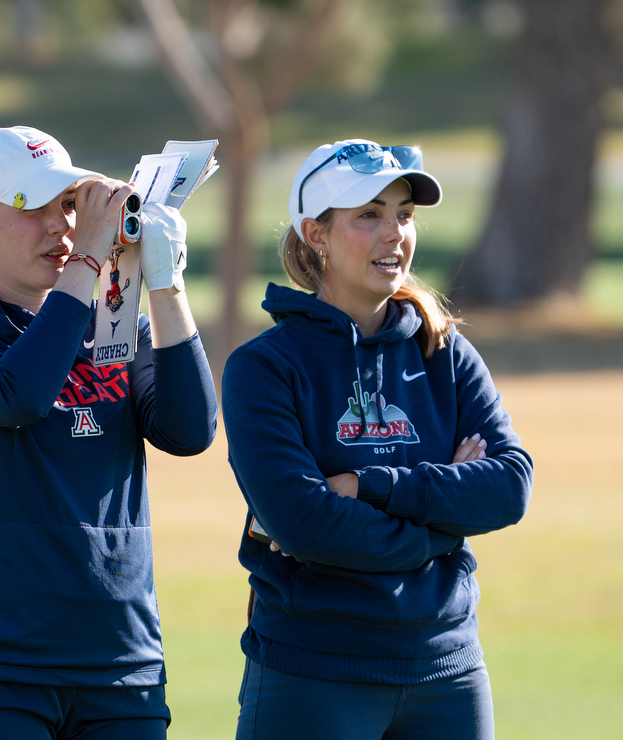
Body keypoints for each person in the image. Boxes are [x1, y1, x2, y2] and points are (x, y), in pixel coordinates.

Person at [0, 125, 217, 739]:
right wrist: (91, 262)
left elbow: (189, 429)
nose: (61, 226)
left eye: (67, 206)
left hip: (123, 667)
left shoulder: (115, 329)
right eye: (30, 208)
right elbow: (19, 392)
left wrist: (165, 284)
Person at [221, 139, 533, 740]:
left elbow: (510, 487)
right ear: (315, 234)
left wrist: (370, 485)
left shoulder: (445, 353)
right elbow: (303, 524)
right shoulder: (264, 368)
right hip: (311, 674)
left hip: (446, 675)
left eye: (404, 214)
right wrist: (444, 524)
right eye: (369, 214)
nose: (395, 233)